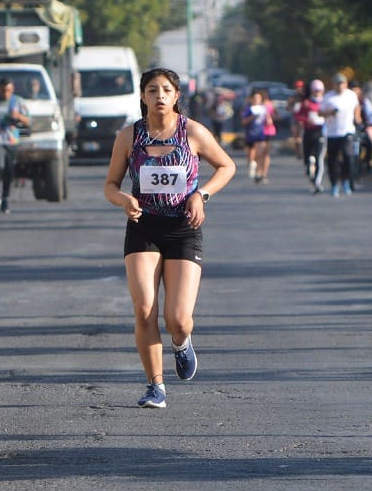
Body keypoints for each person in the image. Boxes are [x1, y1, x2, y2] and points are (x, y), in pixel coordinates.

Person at [103, 67, 235, 409]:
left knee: (177, 318)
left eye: (165, 90)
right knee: (144, 307)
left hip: (183, 228)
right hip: (143, 226)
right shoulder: (129, 137)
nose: (159, 95)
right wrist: (124, 200)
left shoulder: (192, 132)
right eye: (151, 90)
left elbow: (226, 166)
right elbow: (110, 185)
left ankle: (181, 342)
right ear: (143, 96)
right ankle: (155, 386)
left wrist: (201, 195)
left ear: (176, 96)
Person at [0, 77, 30, 213]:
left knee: (9, 170)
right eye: (3, 90)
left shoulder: (17, 101)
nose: (5, 93)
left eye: (8, 90)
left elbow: (28, 120)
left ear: (12, 90)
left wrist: (18, 116)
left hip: (11, 139)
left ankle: (6, 198)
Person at [320, 73, 360, 197]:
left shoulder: (351, 95)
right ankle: (334, 184)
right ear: (333, 85)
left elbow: (356, 107)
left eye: (342, 83)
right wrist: (330, 113)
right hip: (333, 133)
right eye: (337, 84)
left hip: (348, 131)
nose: (340, 86)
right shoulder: (328, 97)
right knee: (333, 160)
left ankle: (346, 181)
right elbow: (320, 113)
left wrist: (357, 117)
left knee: (348, 157)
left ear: (346, 84)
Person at [296, 78, 327, 191]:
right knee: (307, 157)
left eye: (319, 90)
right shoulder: (306, 103)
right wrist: (306, 120)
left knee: (319, 157)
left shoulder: (326, 102)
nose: (317, 92)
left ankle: (317, 182)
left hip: (321, 132)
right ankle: (309, 167)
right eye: (315, 90)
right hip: (308, 132)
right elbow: (298, 116)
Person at [241, 87, 275, 183]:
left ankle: (259, 173)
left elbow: (269, 121)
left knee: (260, 154)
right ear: (252, 99)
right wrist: (252, 117)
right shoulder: (248, 109)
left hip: (260, 134)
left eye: (258, 98)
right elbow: (243, 122)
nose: (256, 100)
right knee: (251, 154)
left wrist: (268, 119)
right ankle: (252, 165)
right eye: (255, 98)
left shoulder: (263, 109)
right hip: (250, 134)